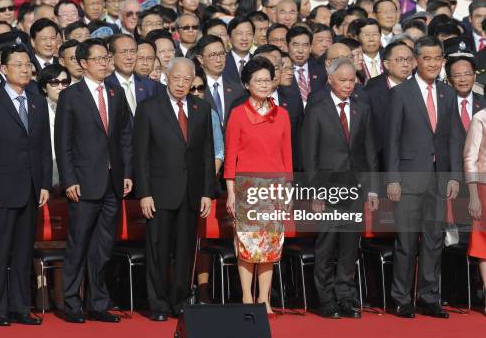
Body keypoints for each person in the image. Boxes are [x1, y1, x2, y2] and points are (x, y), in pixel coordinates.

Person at [385, 36, 463, 319]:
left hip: (439, 179)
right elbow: (391, 139)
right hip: (407, 178)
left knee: (433, 239)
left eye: (437, 58)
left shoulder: (447, 93)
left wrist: (454, 176)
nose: (432, 63)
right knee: (406, 241)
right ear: (416, 60)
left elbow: (454, 137)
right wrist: (392, 178)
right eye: (427, 58)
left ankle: (429, 297)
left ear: (442, 61)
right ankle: (401, 299)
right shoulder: (400, 93)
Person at [55, 38, 132, 324]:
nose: (104, 63)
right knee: (78, 244)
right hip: (83, 183)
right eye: (98, 59)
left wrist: (126, 173)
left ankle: (97, 302)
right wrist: (69, 179)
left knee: (103, 246)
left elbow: (125, 135)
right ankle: (72, 302)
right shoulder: (70, 96)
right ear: (83, 63)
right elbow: (62, 143)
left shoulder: (116, 92)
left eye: (106, 58)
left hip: (113, 182)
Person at [133, 57, 215, 321]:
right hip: (158, 192)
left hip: (191, 193)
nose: (181, 84)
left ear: (193, 82)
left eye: (187, 80)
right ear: (167, 77)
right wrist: (144, 193)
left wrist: (206, 191)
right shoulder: (149, 108)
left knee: (184, 250)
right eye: (176, 78)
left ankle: (179, 300)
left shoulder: (201, 108)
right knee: (158, 250)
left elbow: (206, 153)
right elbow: (141, 154)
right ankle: (157, 304)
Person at [0, 43, 52, 326]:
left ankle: (20, 306)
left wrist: (44, 182)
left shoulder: (37, 101)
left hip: (31, 189)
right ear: (3, 69)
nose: (24, 69)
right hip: (1, 190)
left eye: (27, 65)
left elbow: (43, 147)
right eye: (18, 65)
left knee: (23, 252)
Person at [302, 57, 379, 319]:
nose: (349, 85)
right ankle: (325, 299)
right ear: (330, 80)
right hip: (327, 188)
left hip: (354, 187)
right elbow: (309, 156)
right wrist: (315, 192)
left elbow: (369, 150)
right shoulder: (317, 108)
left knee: (349, 246)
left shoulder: (362, 107)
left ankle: (346, 296)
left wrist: (371, 189)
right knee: (327, 245)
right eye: (343, 80)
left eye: (352, 80)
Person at [224, 57, 293, 315]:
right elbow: (231, 157)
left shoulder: (283, 115)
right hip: (247, 188)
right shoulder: (238, 115)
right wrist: (231, 193)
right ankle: (246, 296)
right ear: (246, 83)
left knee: (270, 245)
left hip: (274, 189)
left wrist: (288, 191)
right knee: (247, 244)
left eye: (268, 80)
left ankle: (264, 298)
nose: (264, 85)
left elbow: (287, 157)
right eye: (258, 80)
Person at [463, 108, 486, 315]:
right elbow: (470, 157)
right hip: (484, 186)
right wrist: (473, 195)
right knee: (484, 244)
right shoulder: (481, 117)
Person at [104, 34, 159, 117]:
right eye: (123, 52)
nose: (129, 57)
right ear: (111, 57)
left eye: (133, 51)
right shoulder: (105, 85)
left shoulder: (150, 86)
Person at [195, 35, 244, 126]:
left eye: (222, 54)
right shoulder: (195, 89)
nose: (219, 60)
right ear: (201, 59)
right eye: (213, 55)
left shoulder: (237, 89)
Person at [287, 25, 327, 107]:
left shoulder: (322, 71)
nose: (300, 50)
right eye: (296, 45)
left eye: (305, 45)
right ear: (287, 47)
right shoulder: (281, 72)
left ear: (310, 47)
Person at [223, 17, 254, 84]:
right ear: (229, 37)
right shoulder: (222, 61)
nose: (244, 38)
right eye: (239, 33)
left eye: (249, 34)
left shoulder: (258, 62)